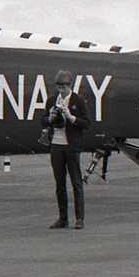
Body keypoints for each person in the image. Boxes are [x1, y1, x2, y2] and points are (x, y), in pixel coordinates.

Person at [41, 70, 91, 230]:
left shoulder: (78, 100)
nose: (61, 91)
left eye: (63, 87)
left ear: (69, 86)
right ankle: (63, 218)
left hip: (71, 146)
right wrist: (50, 117)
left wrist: (71, 118)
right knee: (59, 184)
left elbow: (87, 123)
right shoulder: (51, 101)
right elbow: (42, 121)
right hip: (56, 145)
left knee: (76, 182)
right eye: (59, 87)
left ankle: (80, 218)